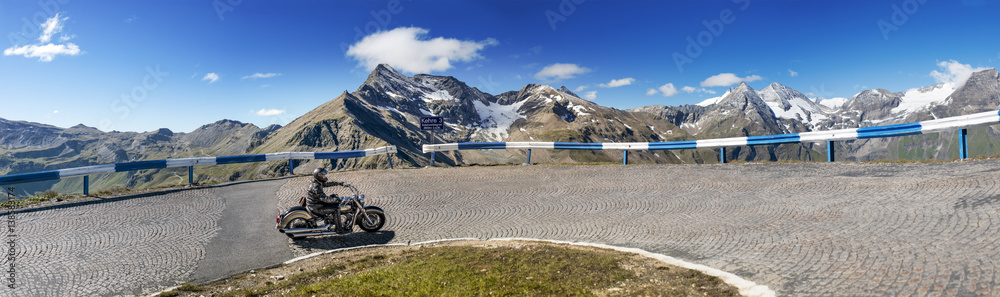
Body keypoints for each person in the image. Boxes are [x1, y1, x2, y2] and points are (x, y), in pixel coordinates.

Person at [306, 167, 351, 233]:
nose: (325, 176)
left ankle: (330, 220)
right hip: (316, 207)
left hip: (315, 203)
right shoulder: (316, 186)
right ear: (319, 176)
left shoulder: (317, 182)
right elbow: (323, 198)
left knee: (333, 198)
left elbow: (327, 184)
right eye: (323, 175)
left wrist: (340, 183)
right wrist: (336, 200)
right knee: (336, 209)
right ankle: (339, 229)